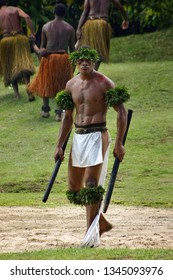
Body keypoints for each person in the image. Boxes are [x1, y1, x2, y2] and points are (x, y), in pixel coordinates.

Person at [54, 47, 130, 247]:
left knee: (91, 185)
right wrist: (59, 145)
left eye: (88, 60)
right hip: (78, 138)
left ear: (94, 62)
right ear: (76, 63)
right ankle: (101, 222)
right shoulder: (71, 85)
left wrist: (119, 143)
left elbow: (121, 112)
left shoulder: (104, 83)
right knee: (75, 188)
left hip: (98, 135)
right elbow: (68, 117)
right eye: (81, 61)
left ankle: (90, 236)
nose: (84, 63)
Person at [27, 3, 75, 120]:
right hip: (63, 58)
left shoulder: (46, 27)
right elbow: (72, 50)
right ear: (65, 14)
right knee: (61, 85)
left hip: (49, 58)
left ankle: (45, 110)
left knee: (46, 83)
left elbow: (43, 47)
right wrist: (73, 66)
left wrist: (35, 47)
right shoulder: (70, 28)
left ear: (54, 13)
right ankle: (59, 113)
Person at [76, 0, 129, 70]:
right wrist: (126, 19)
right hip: (103, 24)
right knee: (99, 52)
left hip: (90, 23)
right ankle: (91, 71)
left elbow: (85, 13)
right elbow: (120, 6)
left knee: (87, 50)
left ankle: (89, 72)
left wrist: (79, 28)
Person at [0, 0, 36, 101]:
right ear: (6, 2)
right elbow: (27, 17)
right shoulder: (14, 9)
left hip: (6, 41)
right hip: (20, 38)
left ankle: (17, 94)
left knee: (10, 67)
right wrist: (32, 33)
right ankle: (29, 90)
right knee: (24, 65)